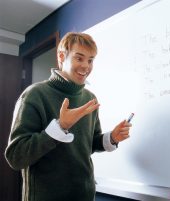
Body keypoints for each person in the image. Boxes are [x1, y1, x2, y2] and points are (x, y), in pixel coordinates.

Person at [5, 32, 132, 201]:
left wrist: (112, 138)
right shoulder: (34, 95)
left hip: (84, 196)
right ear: (61, 56)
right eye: (79, 58)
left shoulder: (90, 98)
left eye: (90, 60)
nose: (86, 66)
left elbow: (89, 144)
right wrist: (60, 127)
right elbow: (16, 156)